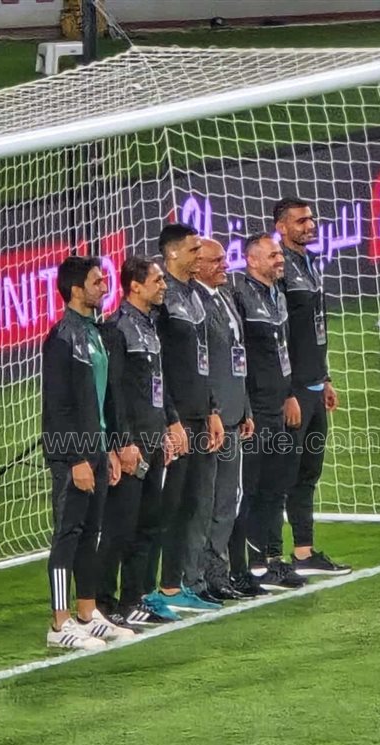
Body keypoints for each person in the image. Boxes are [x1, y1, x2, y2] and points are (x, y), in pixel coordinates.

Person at [40, 256, 134, 650]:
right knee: (68, 535)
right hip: (73, 454)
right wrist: (76, 458)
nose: (104, 287)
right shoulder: (61, 338)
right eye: (97, 281)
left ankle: (87, 613)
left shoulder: (94, 333)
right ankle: (59, 624)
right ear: (76, 290)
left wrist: (109, 448)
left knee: (91, 534)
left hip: (96, 449)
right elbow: (58, 406)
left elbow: (103, 400)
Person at [97, 257, 181, 627]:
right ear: (135, 286)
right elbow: (114, 392)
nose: (163, 285)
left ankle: (133, 598)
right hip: (132, 444)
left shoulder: (149, 323)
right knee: (120, 528)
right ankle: (103, 603)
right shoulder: (117, 328)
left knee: (147, 524)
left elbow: (157, 384)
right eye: (157, 280)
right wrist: (123, 442)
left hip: (153, 437)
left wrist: (168, 425)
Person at [146, 224, 225, 613]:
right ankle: (152, 589)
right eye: (194, 250)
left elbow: (201, 362)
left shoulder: (194, 294)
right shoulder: (161, 301)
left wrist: (212, 410)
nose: (200, 256)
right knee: (169, 507)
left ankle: (177, 584)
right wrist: (171, 419)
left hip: (199, 416)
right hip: (174, 421)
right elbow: (157, 367)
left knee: (195, 503)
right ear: (173, 253)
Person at [274, 197, 351, 577]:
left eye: (311, 219)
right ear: (281, 227)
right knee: (282, 474)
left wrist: (326, 377)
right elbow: (279, 336)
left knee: (308, 473)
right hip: (295, 390)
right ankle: (267, 559)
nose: (310, 225)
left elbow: (315, 329)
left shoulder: (309, 262)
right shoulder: (280, 271)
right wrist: (287, 390)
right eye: (301, 221)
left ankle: (303, 552)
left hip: (315, 385)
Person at [230, 234, 306, 592]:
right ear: (252, 261)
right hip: (256, 409)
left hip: (280, 405)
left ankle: (274, 560)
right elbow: (239, 358)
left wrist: (289, 394)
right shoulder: (239, 297)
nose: (280, 259)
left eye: (280, 254)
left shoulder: (277, 294)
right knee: (252, 489)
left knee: (277, 486)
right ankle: (252, 564)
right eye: (273, 255)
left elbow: (283, 351)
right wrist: (246, 408)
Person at [195, 239, 256, 601]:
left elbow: (237, 357)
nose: (225, 265)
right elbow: (199, 369)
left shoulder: (225, 297)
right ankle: (200, 575)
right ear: (197, 264)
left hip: (233, 414)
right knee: (209, 500)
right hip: (212, 420)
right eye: (216, 260)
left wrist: (245, 407)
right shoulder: (195, 304)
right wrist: (213, 410)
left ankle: (218, 571)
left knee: (228, 499)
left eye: (224, 259)